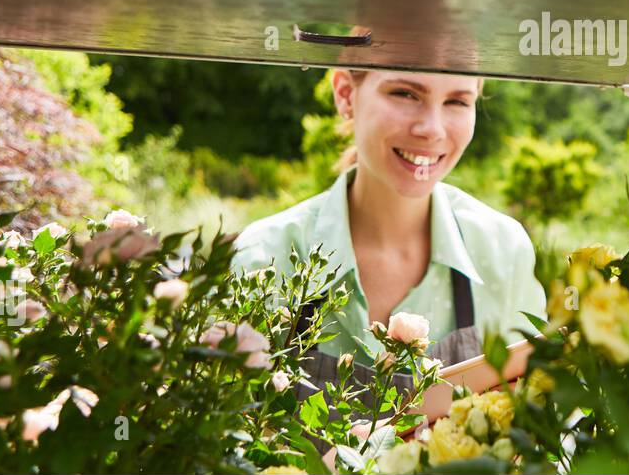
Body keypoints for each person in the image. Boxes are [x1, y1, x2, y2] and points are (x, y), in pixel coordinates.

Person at [232, 69, 546, 396]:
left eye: (457, 101)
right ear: (345, 94)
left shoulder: (504, 251)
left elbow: (534, 416)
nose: (432, 129)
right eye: (405, 94)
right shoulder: (263, 256)